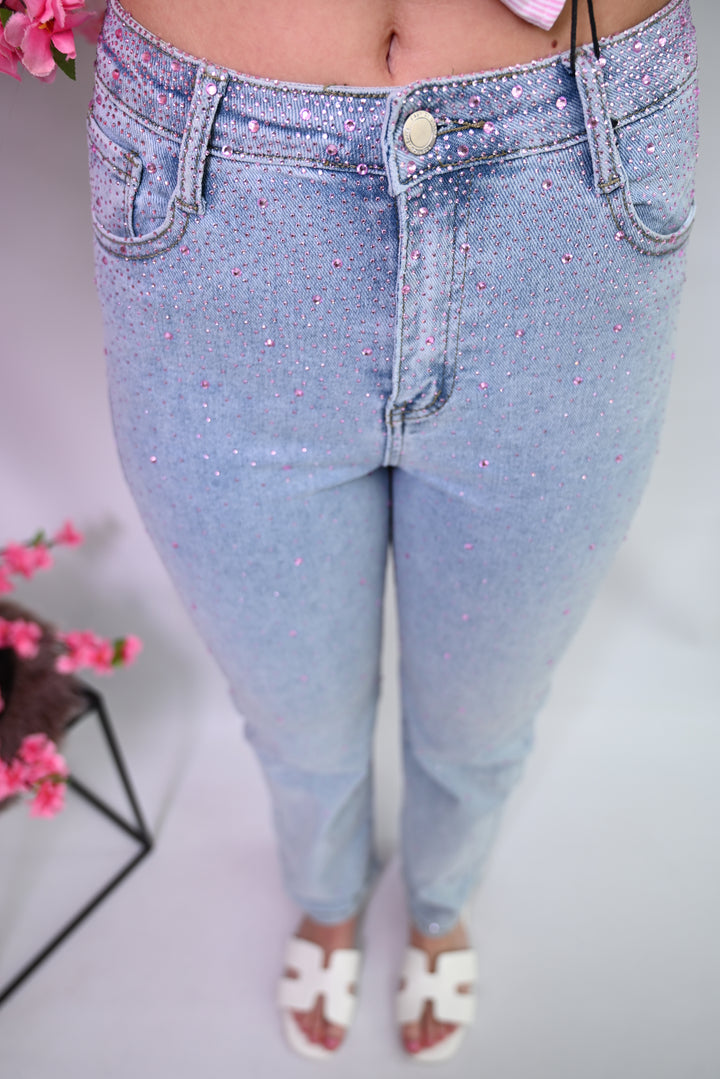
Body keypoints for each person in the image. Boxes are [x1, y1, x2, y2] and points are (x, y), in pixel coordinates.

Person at [87, 0, 698, 1062]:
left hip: (570, 177)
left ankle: (439, 898)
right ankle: (327, 894)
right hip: (215, 193)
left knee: (486, 709)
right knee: (291, 707)